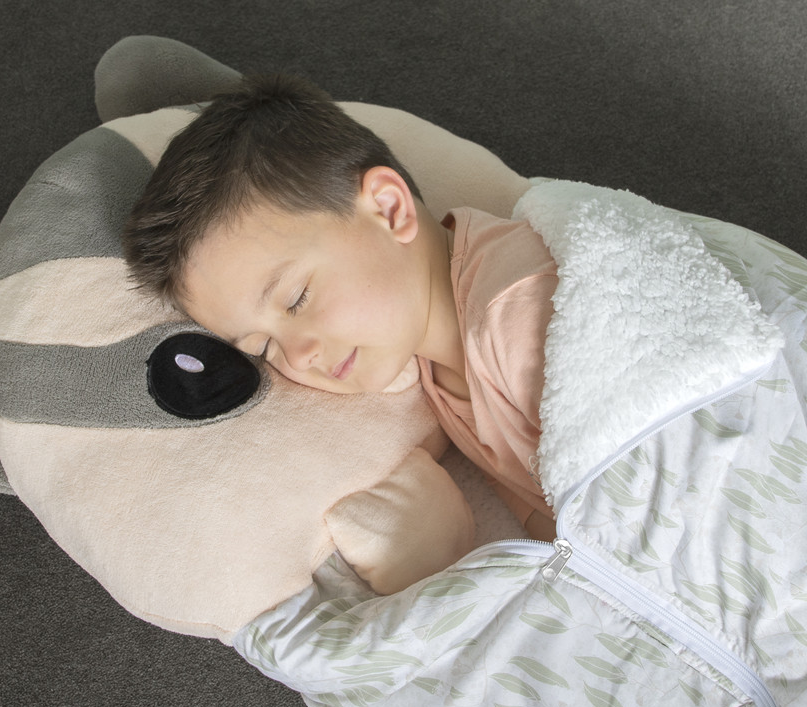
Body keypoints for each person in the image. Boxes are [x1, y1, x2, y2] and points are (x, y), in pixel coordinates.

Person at [122, 74, 557, 542]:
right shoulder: (441, 378)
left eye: (297, 299)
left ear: (389, 209)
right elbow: (546, 515)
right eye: (264, 347)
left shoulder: (521, 307)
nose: (298, 358)